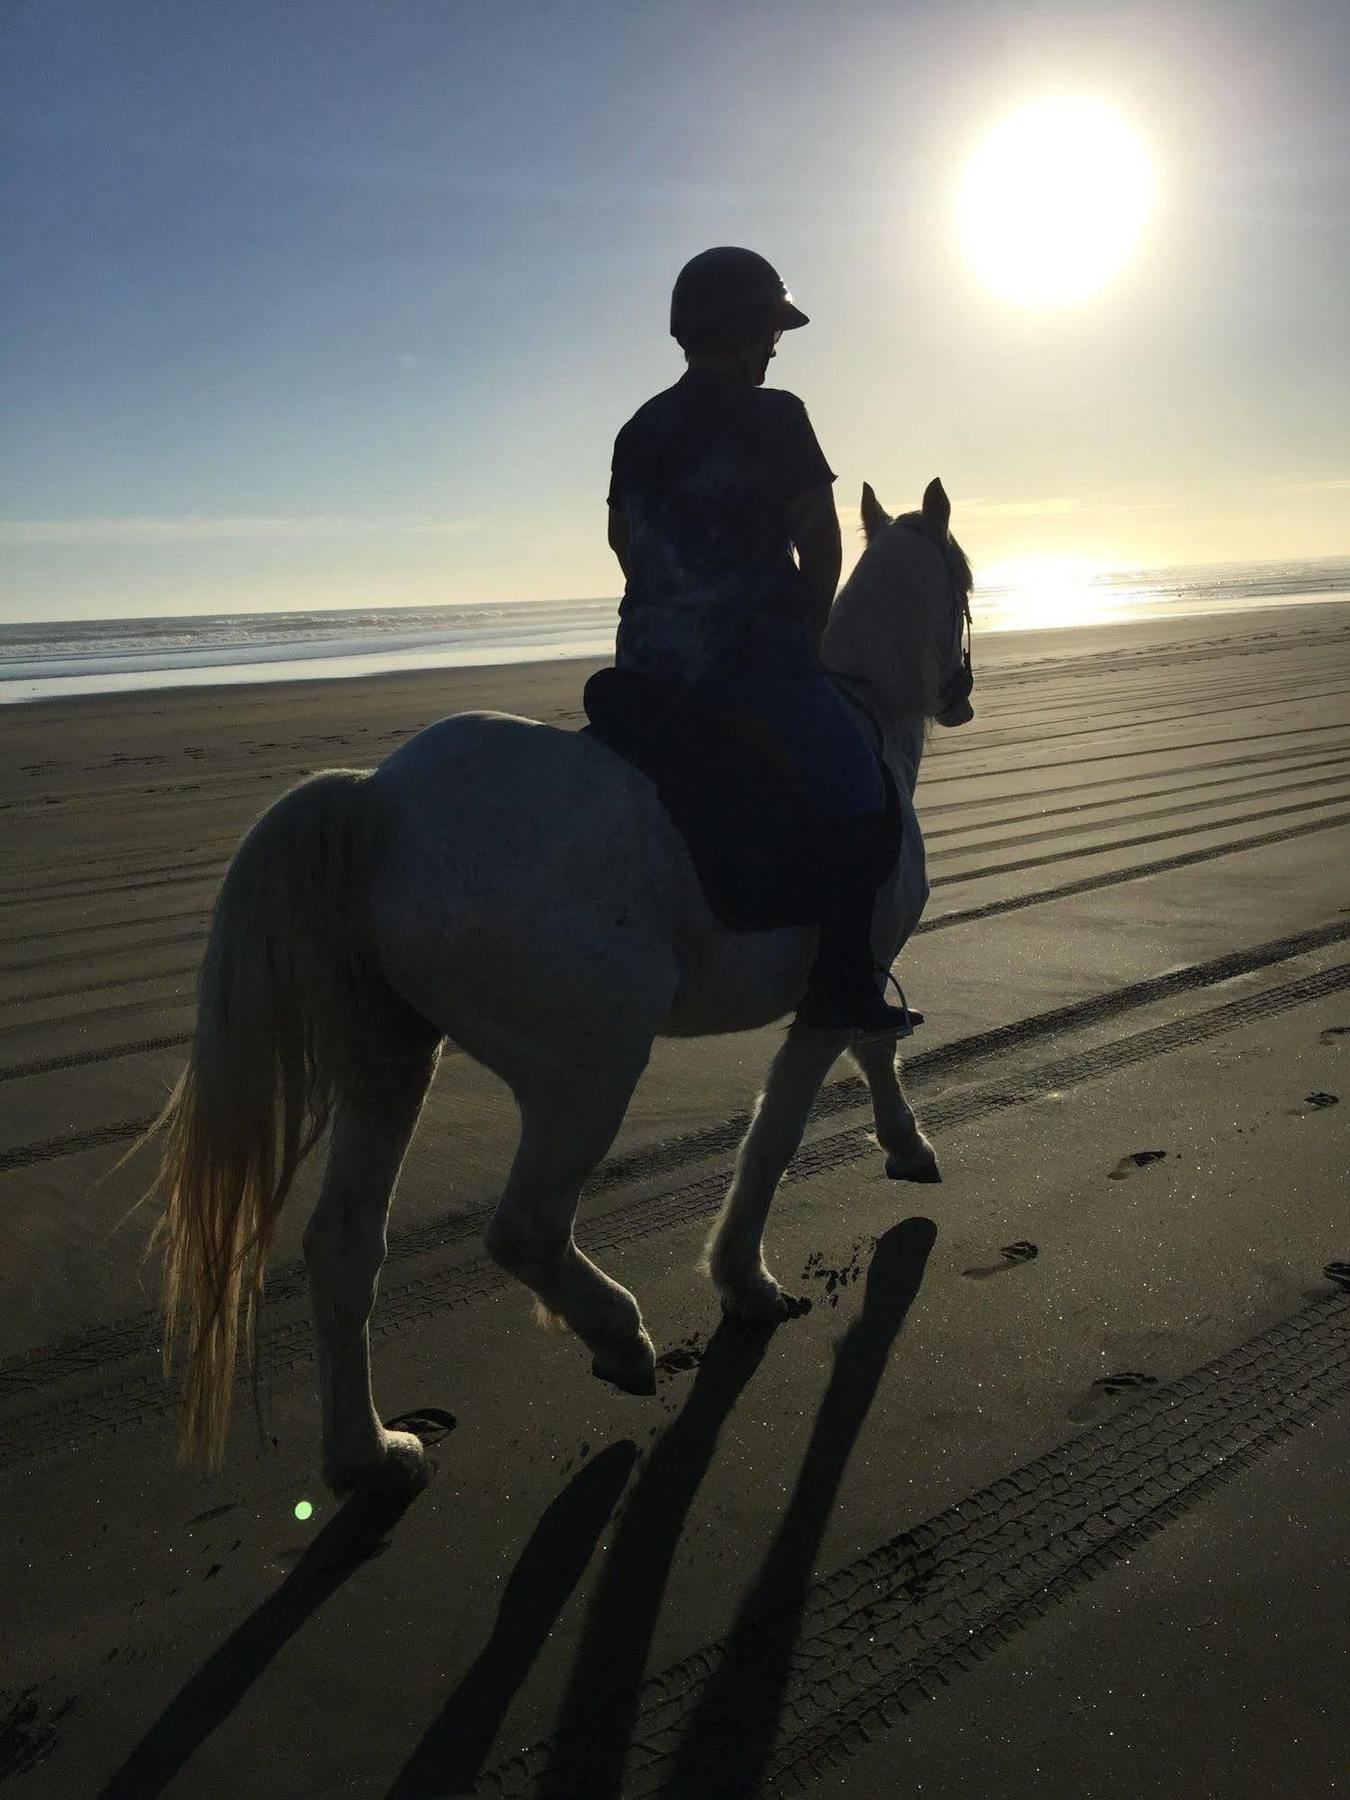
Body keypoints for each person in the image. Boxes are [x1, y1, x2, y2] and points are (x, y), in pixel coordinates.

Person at [605, 245, 911, 1034]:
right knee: (863, 800)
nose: (777, 345)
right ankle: (843, 987)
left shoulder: (638, 428)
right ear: (742, 330)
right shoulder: (778, 416)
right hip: (752, 668)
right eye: (771, 328)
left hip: (643, 671)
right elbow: (823, 542)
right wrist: (808, 632)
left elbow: (622, 544)